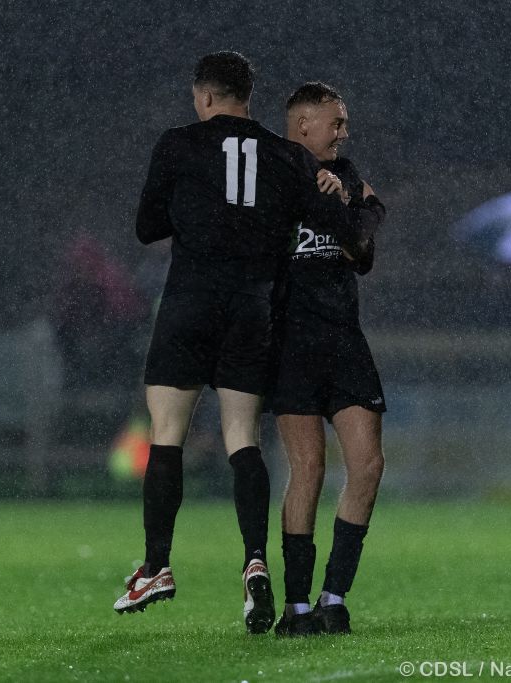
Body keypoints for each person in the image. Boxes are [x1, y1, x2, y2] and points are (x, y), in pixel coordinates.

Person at [113, 52, 372, 634]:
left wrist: (198, 211)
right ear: (249, 97)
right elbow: (333, 225)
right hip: (252, 310)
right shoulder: (286, 155)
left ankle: (157, 565)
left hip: (189, 302)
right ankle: (255, 562)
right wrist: (332, 192)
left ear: (204, 97)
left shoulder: (178, 144)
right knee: (241, 438)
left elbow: (147, 227)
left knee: (167, 434)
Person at [269, 82, 387, 637]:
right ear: (303, 125)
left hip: (343, 341)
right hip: (290, 345)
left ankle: (333, 598)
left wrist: (342, 203)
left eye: (344, 122)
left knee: (368, 465)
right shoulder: (271, 179)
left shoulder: (348, 178)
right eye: (335, 122)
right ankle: (296, 608)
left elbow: (362, 249)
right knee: (308, 469)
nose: (344, 132)